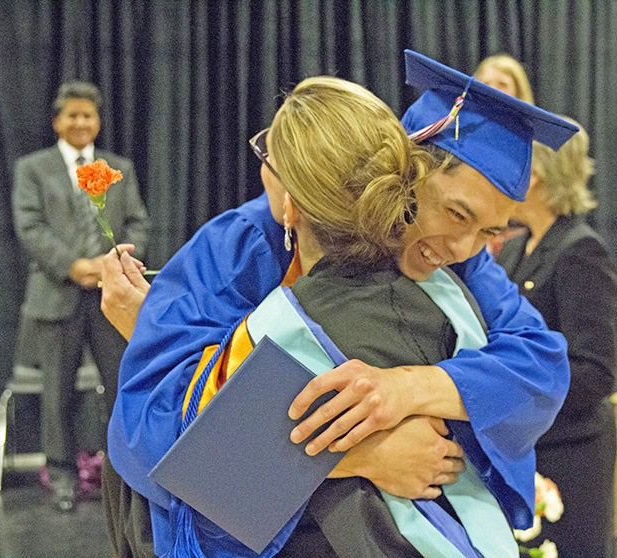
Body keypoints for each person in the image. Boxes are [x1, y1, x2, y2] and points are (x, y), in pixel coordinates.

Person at [104, 52, 575, 557]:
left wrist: (408, 390)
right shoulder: (251, 242)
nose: (463, 246)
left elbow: (541, 366)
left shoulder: (462, 266)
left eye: (488, 231)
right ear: (408, 169)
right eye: (456, 213)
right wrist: (356, 452)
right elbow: (158, 420)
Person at [11, 81, 150, 512]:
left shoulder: (117, 166)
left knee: (121, 384)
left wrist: (114, 263)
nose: (80, 122)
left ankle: (123, 472)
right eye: (72, 115)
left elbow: (138, 224)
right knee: (58, 392)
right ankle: (62, 476)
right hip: (56, 295)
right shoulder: (34, 168)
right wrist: (74, 266)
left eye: (88, 115)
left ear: (98, 121)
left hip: (111, 296)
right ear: (57, 121)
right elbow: (30, 226)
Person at [497, 118, 617, 557]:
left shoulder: (581, 250)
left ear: (536, 176)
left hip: (573, 450)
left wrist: (516, 394)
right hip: (528, 447)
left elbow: (598, 371)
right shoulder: (513, 248)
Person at [474, 53, 534, 255]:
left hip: (516, 239)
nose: (493, 90)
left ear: (518, 91)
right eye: (486, 83)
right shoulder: (463, 134)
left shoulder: (531, 142)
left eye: (502, 84)